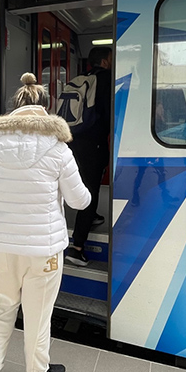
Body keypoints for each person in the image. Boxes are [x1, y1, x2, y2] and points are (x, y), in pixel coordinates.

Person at [0, 73, 91, 372]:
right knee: (38, 314)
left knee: (0, 305)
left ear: (14, 108)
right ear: (45, 109)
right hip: (43, 249)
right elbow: (79, 201)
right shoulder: (58, 148)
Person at [65, 46, 112, 267]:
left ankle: (91, 216)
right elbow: (110, 114)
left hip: (74, 141)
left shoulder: (80, 79)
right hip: (93, 144)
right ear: (104, 62)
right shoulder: (105, 79)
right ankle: (77, 248)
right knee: (90, 190)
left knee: (84, 183)